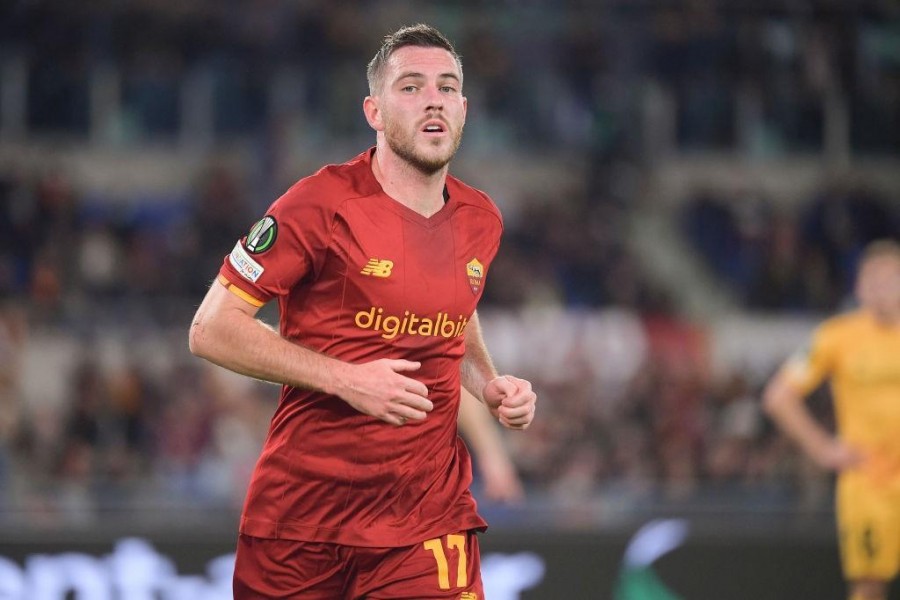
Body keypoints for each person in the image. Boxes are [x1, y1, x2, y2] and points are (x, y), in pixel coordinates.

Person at [189, 23, 537, 599]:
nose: (433, 99)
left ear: (465, 109)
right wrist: (347, 379)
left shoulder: (482, 220)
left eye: (448, 87)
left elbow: (451, 312)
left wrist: (489, 384)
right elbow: (211, 330)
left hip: (426, 520)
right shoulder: (316, 205)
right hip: (299, 523)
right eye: (412, 86)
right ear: (373, 111)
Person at [763, 239, 900, 600]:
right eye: (872, 280)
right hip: (869, 479)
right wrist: (824, 449)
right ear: (858, 286)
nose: (880, 289)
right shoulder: (837, 336)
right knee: (869, 584)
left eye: (889, 280)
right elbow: (779, 396)